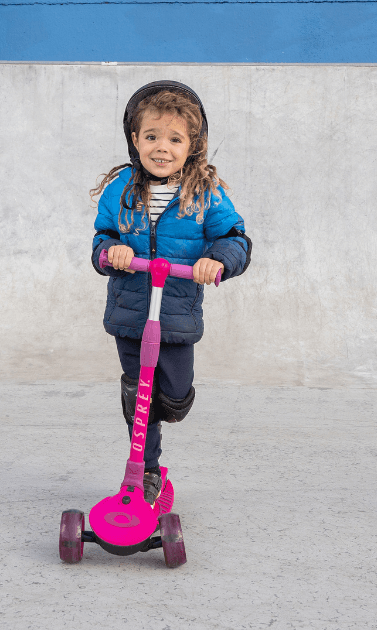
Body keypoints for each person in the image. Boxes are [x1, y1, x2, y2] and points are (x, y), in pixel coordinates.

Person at [90, 80, 252, 505]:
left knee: (173, 394)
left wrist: (217, 260)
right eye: (151, 136)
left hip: (176, 315)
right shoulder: (120, 188)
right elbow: (102, 240)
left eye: (174, 139)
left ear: (192, 145)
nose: (162, 147)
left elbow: (236, 238)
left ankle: (165, 411)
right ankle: (143, 473)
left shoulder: (204, 191)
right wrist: (112, 252)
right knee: (137, 394)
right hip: (130, 311)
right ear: (135, 139)